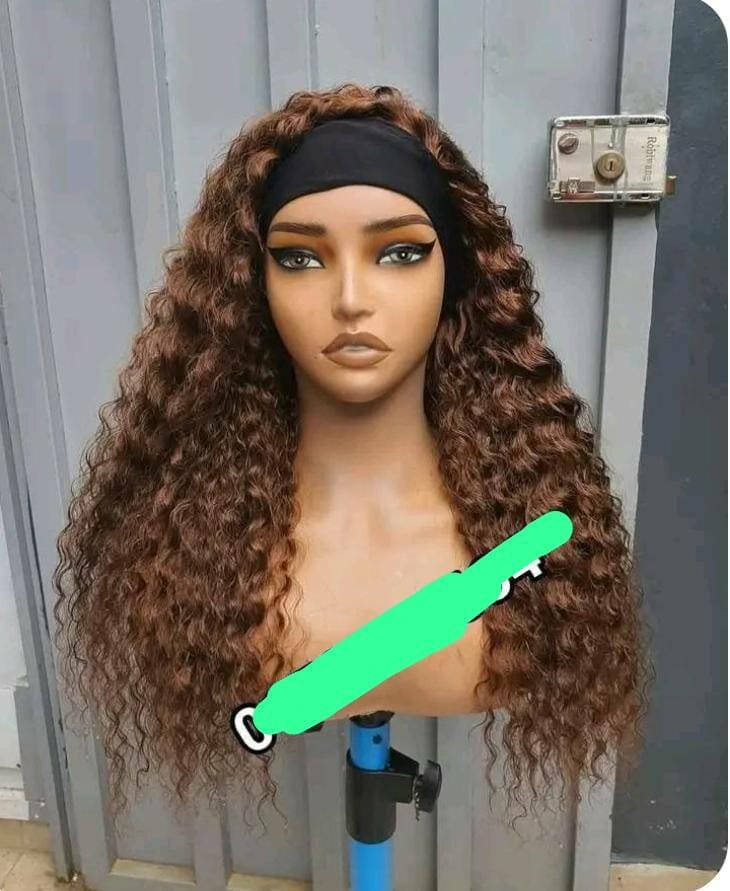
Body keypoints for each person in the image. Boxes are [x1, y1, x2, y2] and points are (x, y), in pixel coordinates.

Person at [51, 83, 652, 831]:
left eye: (399, 252)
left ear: (455, 274)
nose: (349, 299)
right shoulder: (187, 552)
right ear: (252, 285)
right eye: (300, 257)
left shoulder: (533, 529)